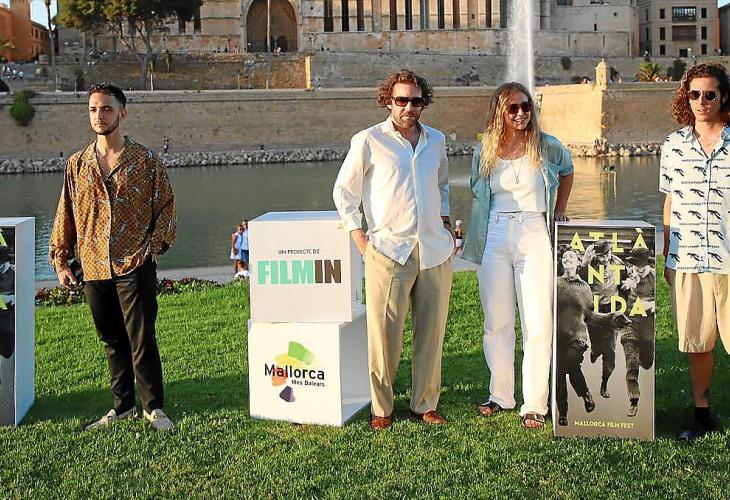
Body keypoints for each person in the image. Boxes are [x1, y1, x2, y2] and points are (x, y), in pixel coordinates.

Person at [49, 83, 177, 432]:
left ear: (123, 113)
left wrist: (155, 246)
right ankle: (122, 406)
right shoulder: (77, 164)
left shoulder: (145, 160)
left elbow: (165, 205)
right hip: (92, 264)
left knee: (141, 338)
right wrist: (61, 259)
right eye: (93, 109)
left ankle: (153, 408)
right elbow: (66, 212)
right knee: (111, 339)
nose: (99, 115)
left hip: (135, 261)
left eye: (106, 108)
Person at [333, 69, 453, 431]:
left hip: (433, 250)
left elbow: (442, 184)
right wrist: (360, 238)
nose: (408, 107)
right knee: (384, 336)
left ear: (423, 103)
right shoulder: (368, 141)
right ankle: (382, 408)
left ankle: (425, 404)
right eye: (402, 100)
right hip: (388, 250)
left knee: (431, 335)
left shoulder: (436, 140)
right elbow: (344, 192)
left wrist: (445, 222)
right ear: (388, 100)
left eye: (416, 101)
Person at [461, 81, 574, 429]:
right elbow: (478, 191)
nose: (521, 113)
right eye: (513, 108)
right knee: (496, 321)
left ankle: (535, 404)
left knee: (538, 322)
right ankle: (500, 395)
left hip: (534, 231)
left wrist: (559, 210)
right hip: (494, 233)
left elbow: (567, 171)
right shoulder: (485, 150)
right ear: (500, 111)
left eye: (526, 106)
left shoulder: (546, 145)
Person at [660, 63, 730, 442]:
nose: (701, 101)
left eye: (709, 94)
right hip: (686, 258)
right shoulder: (673, 145)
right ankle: (701, 413)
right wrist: (667, 251)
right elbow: (670, 201)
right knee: (697, 342)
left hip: (728, 257)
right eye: (694, 94)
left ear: (723, 97)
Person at [555, 247, 628, 426]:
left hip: (577, 338)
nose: (567, 258)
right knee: (560, 373)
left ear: (579, 262)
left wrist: (611, 317)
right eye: (565, 256)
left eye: (571, 256)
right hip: (557, 337)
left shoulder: (584, 288)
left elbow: (590, 316)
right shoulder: (554, 283)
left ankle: (582, 395)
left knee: (566, 363)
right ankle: (566, 411)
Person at [578, 239, 627, 398]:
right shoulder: (589, 265)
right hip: (595, 310)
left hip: (611, 308)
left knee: (610, 351)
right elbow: (579, 282)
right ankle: (595, 350)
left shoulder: (617, 263)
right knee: (596, 341)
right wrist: (585, 263)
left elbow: (625, 282)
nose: (605, 259)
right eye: (601, 256)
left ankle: (604, 384)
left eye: (607, 254)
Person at [619, 247, 656, 417]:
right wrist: (625, 287)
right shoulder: (626, 275)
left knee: (647, 361)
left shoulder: (653, 277)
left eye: (643, 267)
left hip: (647, 324)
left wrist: (652, 304)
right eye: (636, 267)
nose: (640, 270)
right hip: (629, 323)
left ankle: (644, 357)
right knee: (631, 360)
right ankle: (633, 400)